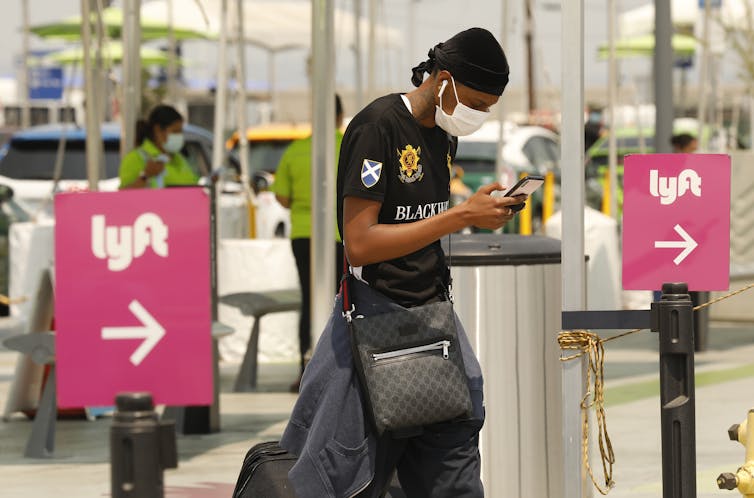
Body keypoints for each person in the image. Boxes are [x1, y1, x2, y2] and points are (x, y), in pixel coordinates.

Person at [280, 27, 526, 497]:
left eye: (488, 109)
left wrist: (475, 211)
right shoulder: (378, 127)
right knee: (352, 476)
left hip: (433, 322)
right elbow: (360, 243)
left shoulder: (443, 137)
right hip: (376, 323)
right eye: (474, 102)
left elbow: (426, 219)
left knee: (457, 459)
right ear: (444, 80)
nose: (477, 115)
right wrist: (458, 218)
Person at [271, 95, 346, 392]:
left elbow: (281, 197)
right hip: (342, 235)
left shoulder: (296, 150)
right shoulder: (352, 144)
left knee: (309, 300)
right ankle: (340, 369)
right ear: (340, 117)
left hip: (303, 234)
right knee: (342, 301)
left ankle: (306, 369)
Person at [119, 104, 198, 189]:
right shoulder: (135, 158)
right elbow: (124, 197)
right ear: (157, 130)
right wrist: (145, 176)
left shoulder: (180, 159)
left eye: (180, 132)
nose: (179, 136)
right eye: (175, 131)